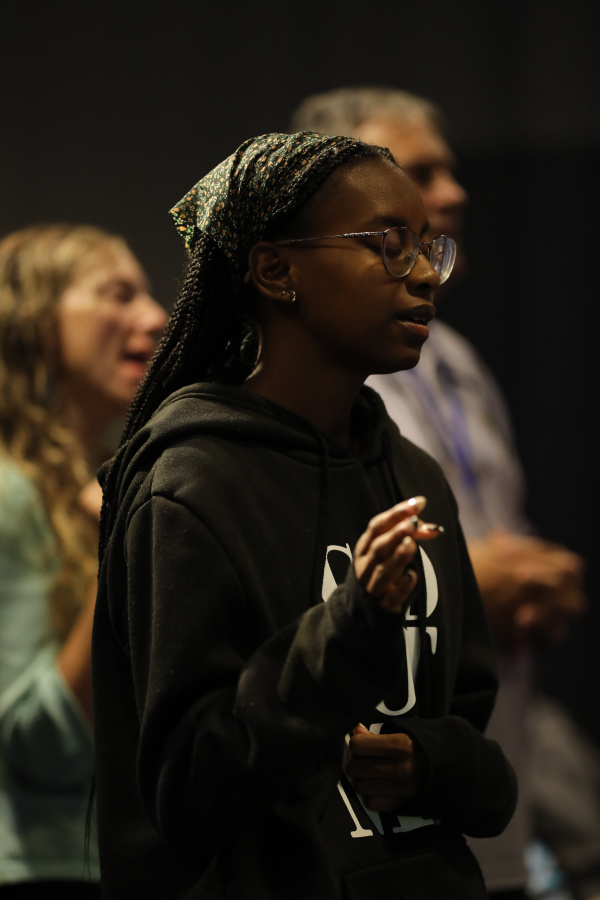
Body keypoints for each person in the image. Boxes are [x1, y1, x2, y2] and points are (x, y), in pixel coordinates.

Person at [92, 131, 517, 900]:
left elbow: (474, 746)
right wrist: (349, 630)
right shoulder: (191, 485)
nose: (426, 274)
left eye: (429, 247)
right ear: (276, 271)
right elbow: (188, 788)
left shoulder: (412, 475)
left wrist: (431, 765)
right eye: (389, 245)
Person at [290, 86, 587, 898]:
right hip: (379, 799)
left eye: (450, 171)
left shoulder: (457, 361)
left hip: (484, 761)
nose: (452, 193)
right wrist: (477, 580)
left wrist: (539, 583)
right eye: (421, 173)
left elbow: (497, 529)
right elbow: (320, 575)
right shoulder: (319, 378)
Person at [0, 223, 166, 897]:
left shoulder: (87, 487)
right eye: (118, 295)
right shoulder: (11, 494)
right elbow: (41, 746)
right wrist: (120, 555)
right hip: (40, 873)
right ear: (36, 321)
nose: (156, 318)